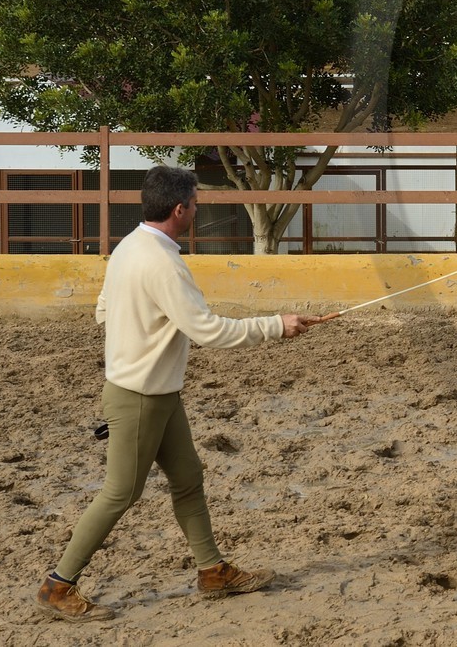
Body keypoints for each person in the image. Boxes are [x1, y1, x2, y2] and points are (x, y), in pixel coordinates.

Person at [35, 164, 332, 622]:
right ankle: (58, 585)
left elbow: (103, 310)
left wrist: (136, 338)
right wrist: (277, 325)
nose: (197, 210)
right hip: (141, 396)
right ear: (179, 209)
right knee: (119, 493)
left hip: (155, 393)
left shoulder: (130, 247)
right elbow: (207, 329)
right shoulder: (163, 263)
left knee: (188, 478)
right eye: (195, 204)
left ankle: (212, 570)